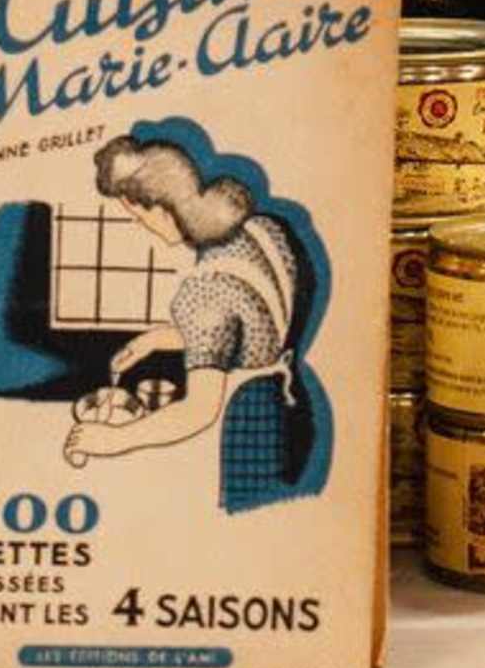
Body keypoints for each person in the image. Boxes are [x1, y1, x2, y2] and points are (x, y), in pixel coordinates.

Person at [62, 122, 322, 514]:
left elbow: (198, 411)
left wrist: (110, 440)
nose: (140, 226)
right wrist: (158, 339)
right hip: (289, 408)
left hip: (244, 426)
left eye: (137, 216)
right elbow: (245, 322)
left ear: (162, 209)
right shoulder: (258, 230)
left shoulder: (202, 291)